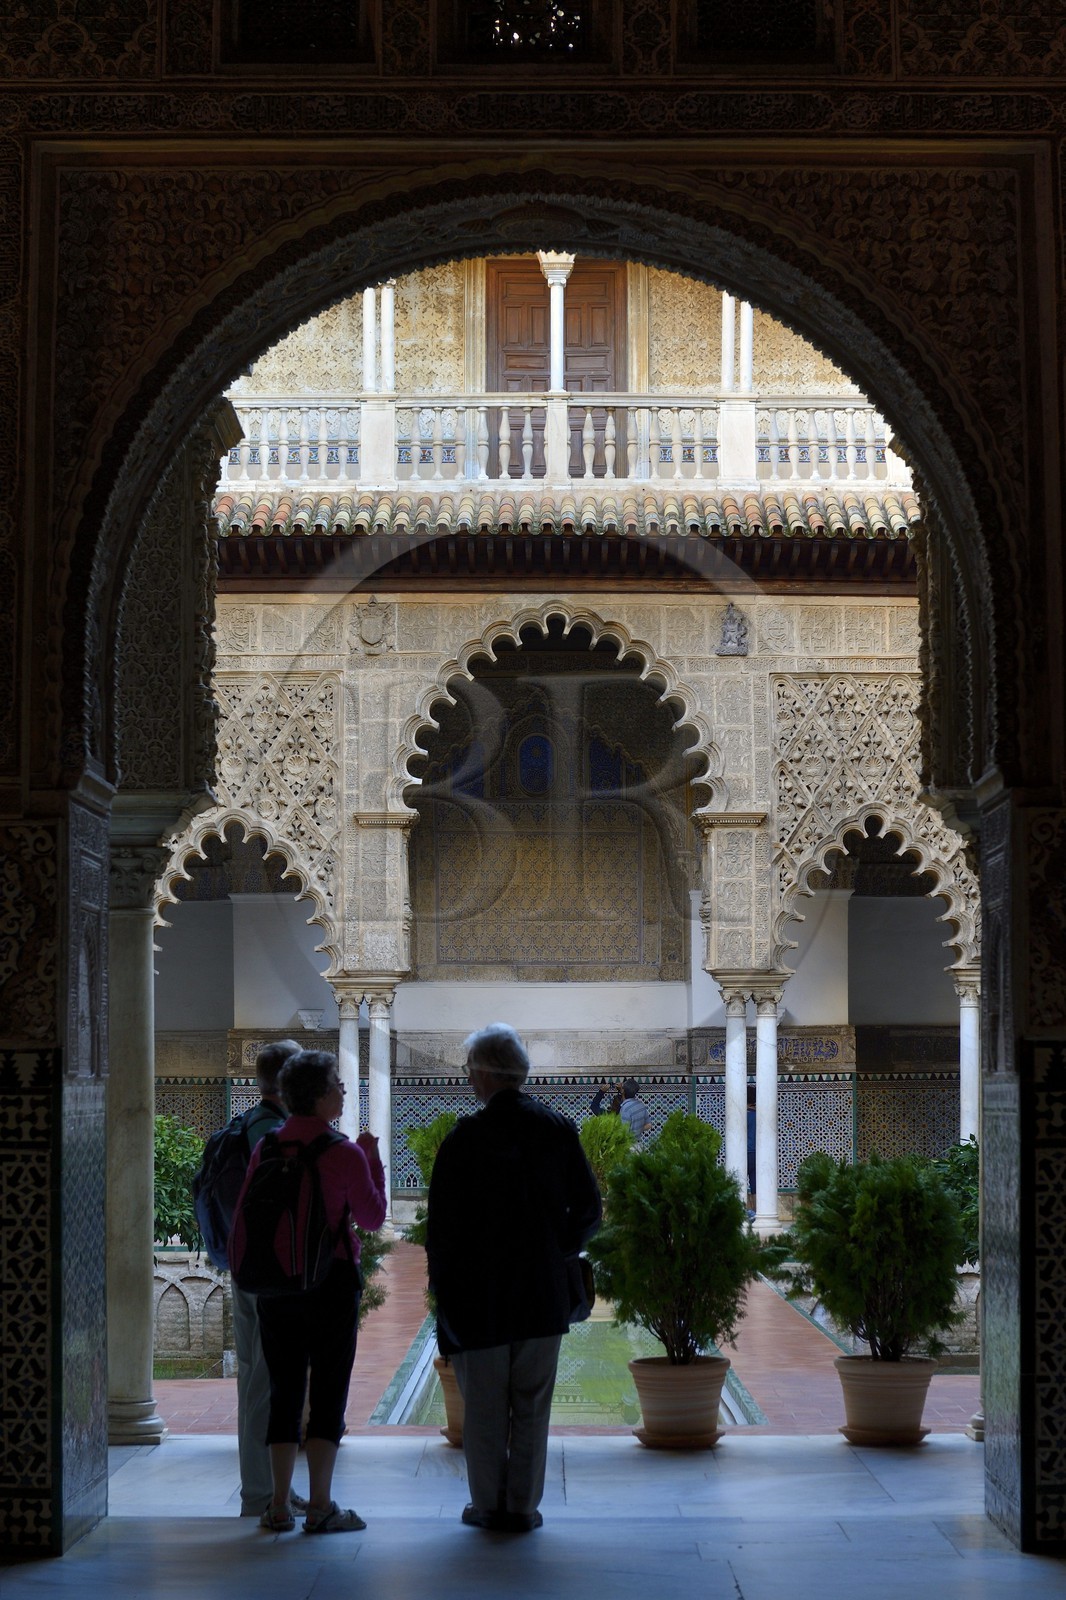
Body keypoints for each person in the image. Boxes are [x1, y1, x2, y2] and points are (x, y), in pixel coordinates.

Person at [426, 1023, 601, 1534]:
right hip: (542, 1296)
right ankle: (522, 1507)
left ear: (482, 1073)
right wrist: (554, 1250)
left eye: (469, 1071)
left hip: (478, 1300)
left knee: (483, 1410)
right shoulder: (556, 1129)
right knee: (531, 1406)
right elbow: (588, 1210)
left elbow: (442, 1231)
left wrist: (446, 1294)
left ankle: (487, 1505)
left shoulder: (464, 1139)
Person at [246, 1049, 387, 1535]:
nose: (343, 1092)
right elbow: (371, 1218)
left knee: (284, 1393)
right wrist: (372, 1162)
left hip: (277, 1288)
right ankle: (322, 1505)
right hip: (330, 1284)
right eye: (338, 1085)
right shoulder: (344, 1152)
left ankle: (280, 1505)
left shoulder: (265, 1147)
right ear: (321, 1095)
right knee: (328, 1393)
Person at [231, 1037, 305, 1519]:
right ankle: (261, 1494)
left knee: (254, 1380)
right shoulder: (272, 1134)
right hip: (266, 1273)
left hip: (246, 1267)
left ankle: (270, 1489)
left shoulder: (250, 1124)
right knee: (263, 1383)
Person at [618, 1078, 649, 1142]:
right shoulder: (641, 1105)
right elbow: (649, 1125)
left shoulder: (625, 1109)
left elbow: (623, 1132)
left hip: (628, 1146)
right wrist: (637, 1130)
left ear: (623, 1090)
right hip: (638, 1146)